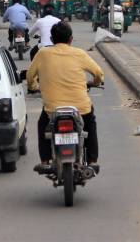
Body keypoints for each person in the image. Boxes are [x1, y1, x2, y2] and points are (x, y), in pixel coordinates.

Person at [26, 21, 104, 173]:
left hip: (52, 110)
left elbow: (30, 76)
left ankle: (45, 161)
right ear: (71, 39)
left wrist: (34, 87)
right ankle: (93, 161)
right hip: (81, 109)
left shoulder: (42, 53)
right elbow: (98, 74)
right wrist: (94, 83)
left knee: (43, 125)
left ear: (52, 39)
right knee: (90, 125)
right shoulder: (79, 53)